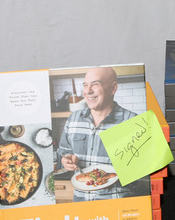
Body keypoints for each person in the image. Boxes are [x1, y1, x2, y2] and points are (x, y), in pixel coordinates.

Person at [57, 67, 150, 201]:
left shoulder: (133, 122)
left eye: (95, 84)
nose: (88, 91)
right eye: (85, 85)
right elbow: (63, 153)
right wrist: (65, 161)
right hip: (80, 203)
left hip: (116, 204)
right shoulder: (73, 119)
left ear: (113, 89)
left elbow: (144, 175)